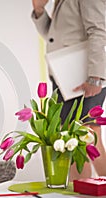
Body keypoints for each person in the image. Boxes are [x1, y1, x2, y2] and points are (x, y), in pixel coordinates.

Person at [31, 0, 106, 180]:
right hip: (65, 76)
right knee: (69, 139)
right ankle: (80, 192)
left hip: (86, 76)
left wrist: (95, 77)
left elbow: (98, 31)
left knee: (88, 136)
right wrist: (39, 10)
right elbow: (53, 37)